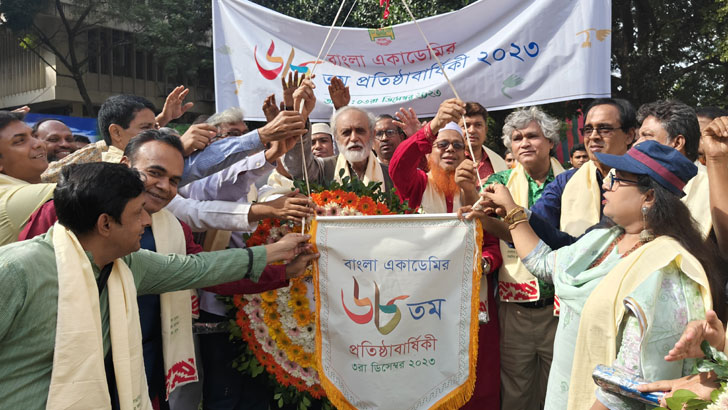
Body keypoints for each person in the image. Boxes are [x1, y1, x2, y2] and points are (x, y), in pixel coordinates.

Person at [0, 161, 314, 409]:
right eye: (138, 214)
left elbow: (198, 268)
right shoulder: (17, 269)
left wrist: (275, 254)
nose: (148, 222)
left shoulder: (127, 266)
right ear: (105, 224)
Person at [463, 140, 723, 410]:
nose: (606, 185)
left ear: (649, 197)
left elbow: (629, 381)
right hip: (566, 393)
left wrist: (514, 213)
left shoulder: (664, 268)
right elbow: (545, 264)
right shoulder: (604, 239)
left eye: (619, 179)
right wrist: (509, 213)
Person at [389, 98, 504, 409]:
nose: (450, 149)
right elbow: (397, 166)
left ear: (467, 154)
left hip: (474, 302)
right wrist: (432, 126)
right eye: (442, 145)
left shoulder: (484, 191)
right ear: (431, 151)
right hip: (425, 306)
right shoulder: (418, 186)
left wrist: (482, 263)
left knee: (481, 380)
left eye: (457, 145)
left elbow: (494, 246)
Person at [474, 107, 564, 410]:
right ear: (509, 147)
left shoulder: (574, 181)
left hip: (564, 308)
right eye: (516, 138)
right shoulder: (499, 182)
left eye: (532, 136)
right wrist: (482, 216)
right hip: (517, 309)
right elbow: (505, 234)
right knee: (516, 391)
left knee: (559, 390)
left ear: (550, 141)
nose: (524, 143)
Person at [527, 98, 638, 249]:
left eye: (604, 129)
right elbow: (534, 229)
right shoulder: (565, 181)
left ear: (629, 135)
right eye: (588, 130)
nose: (593, 136)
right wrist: (510, 213)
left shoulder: (642, 181)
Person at [282, 79, 395, 194]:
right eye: (346, 133)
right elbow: (298, 168)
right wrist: (298, 118)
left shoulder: (391, 176)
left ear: (372, 135)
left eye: (360, 131)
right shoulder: (324, 169)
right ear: (336, 137)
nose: (354, 138)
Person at [635, 100, 712, 237]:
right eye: (639, 136)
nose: (637, 144)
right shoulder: (631, 176)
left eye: (647, 135)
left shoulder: (712, 187)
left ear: (677, 143)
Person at [0, 111, 55, 245]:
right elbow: (93, 185)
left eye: (34, 136)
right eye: (19, 141)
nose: (39, 144)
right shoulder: (11, 199)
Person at [459, 102, 509, 180]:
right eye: (466, 126)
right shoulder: (448, 159)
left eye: (478, 125)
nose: (472, 130)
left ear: (485, 130)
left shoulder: (499, 162)